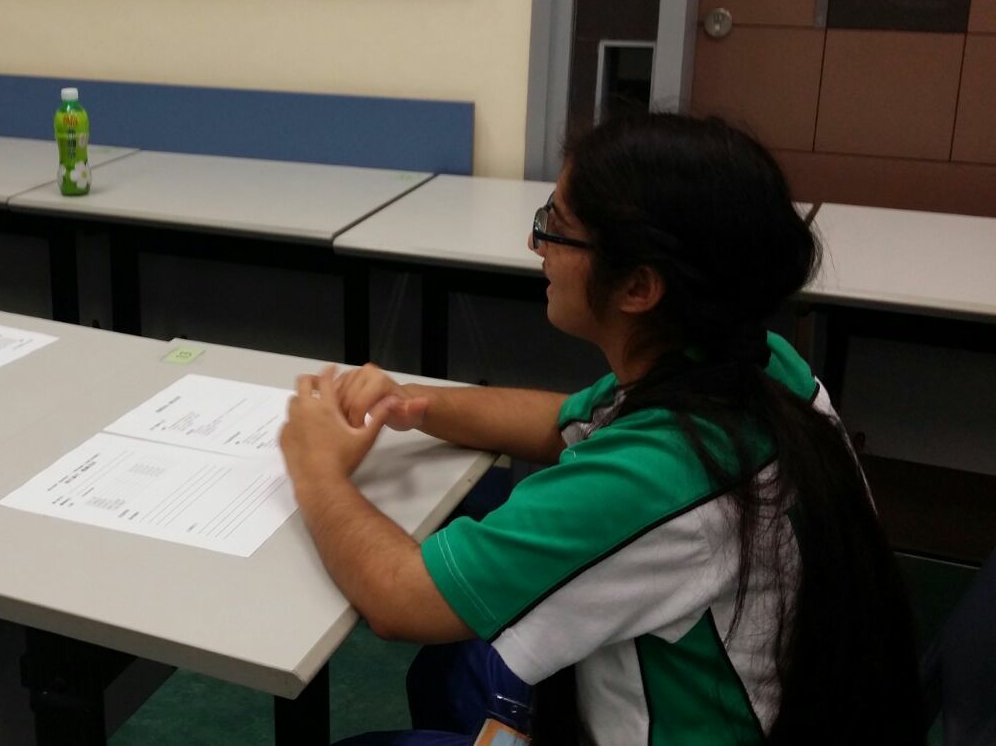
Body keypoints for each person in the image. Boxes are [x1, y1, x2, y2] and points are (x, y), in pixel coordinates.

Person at [278, 114, 923, 744]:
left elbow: (398, 598)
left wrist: (315, 466)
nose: (535, 245)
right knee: (459, 664)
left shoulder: (657, 475)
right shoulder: (757, 366)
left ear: (638, 287)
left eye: (556, 229)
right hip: (801, 707)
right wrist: (415, 402)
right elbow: (564, 421)